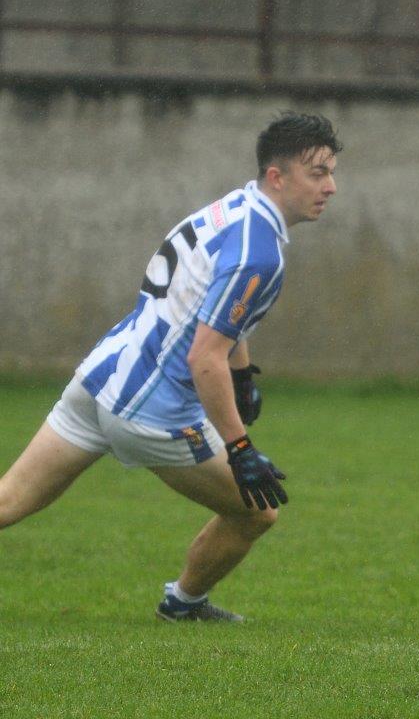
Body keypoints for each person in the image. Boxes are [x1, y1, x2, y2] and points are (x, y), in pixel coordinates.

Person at [0, 112, 341, 622]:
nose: (331, 187)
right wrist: (240, 447)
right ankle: (183, 604)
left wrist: (243, 373)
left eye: (332, 172)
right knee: (257, 512)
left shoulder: (235, 206)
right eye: (317, 173)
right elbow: (204, 357)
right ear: (278, 176)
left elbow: (215, 310)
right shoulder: (260, 253)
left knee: (8, 501)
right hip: (150, 412)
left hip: (101, 376)